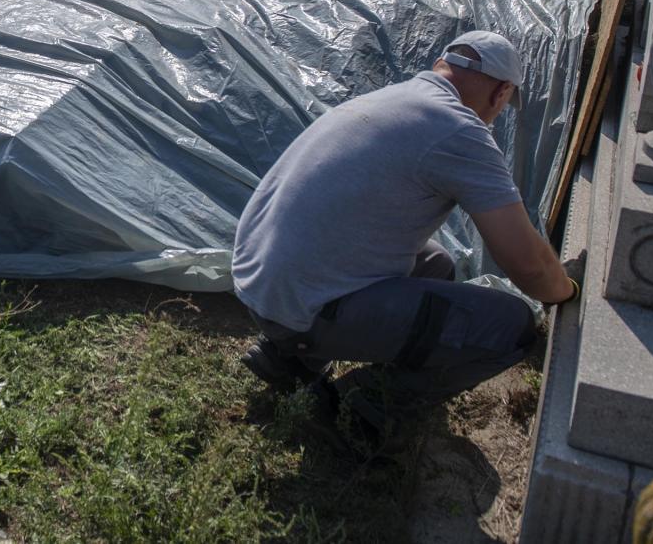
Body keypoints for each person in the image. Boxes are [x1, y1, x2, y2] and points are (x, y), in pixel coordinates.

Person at [232, 31, 580, 419]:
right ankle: (360, 411)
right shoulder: (460, 129)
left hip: (261, 283)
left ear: (440, 67)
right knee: (510, 326)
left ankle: (287, 359)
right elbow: (528, 265)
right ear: (500, 93)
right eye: (502, 105)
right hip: (302, 309)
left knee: (438, 266)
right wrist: (567, 293)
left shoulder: (396, 98)